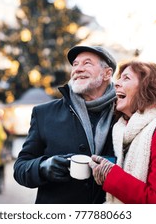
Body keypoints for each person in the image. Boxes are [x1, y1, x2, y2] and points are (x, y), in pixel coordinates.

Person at [13, 46, 118, 203]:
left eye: (87, 63)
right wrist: (43, 167)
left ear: (107, 74)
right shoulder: (44, 113)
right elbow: (20, 168)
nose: (78, 69)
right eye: (75, 64)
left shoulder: (123, 114)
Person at [88, 60, 156, 203]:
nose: (116, 83)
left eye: (126, 78)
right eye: (119, 78)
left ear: (148, 88)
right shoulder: (122, 131)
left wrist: (111, 175)